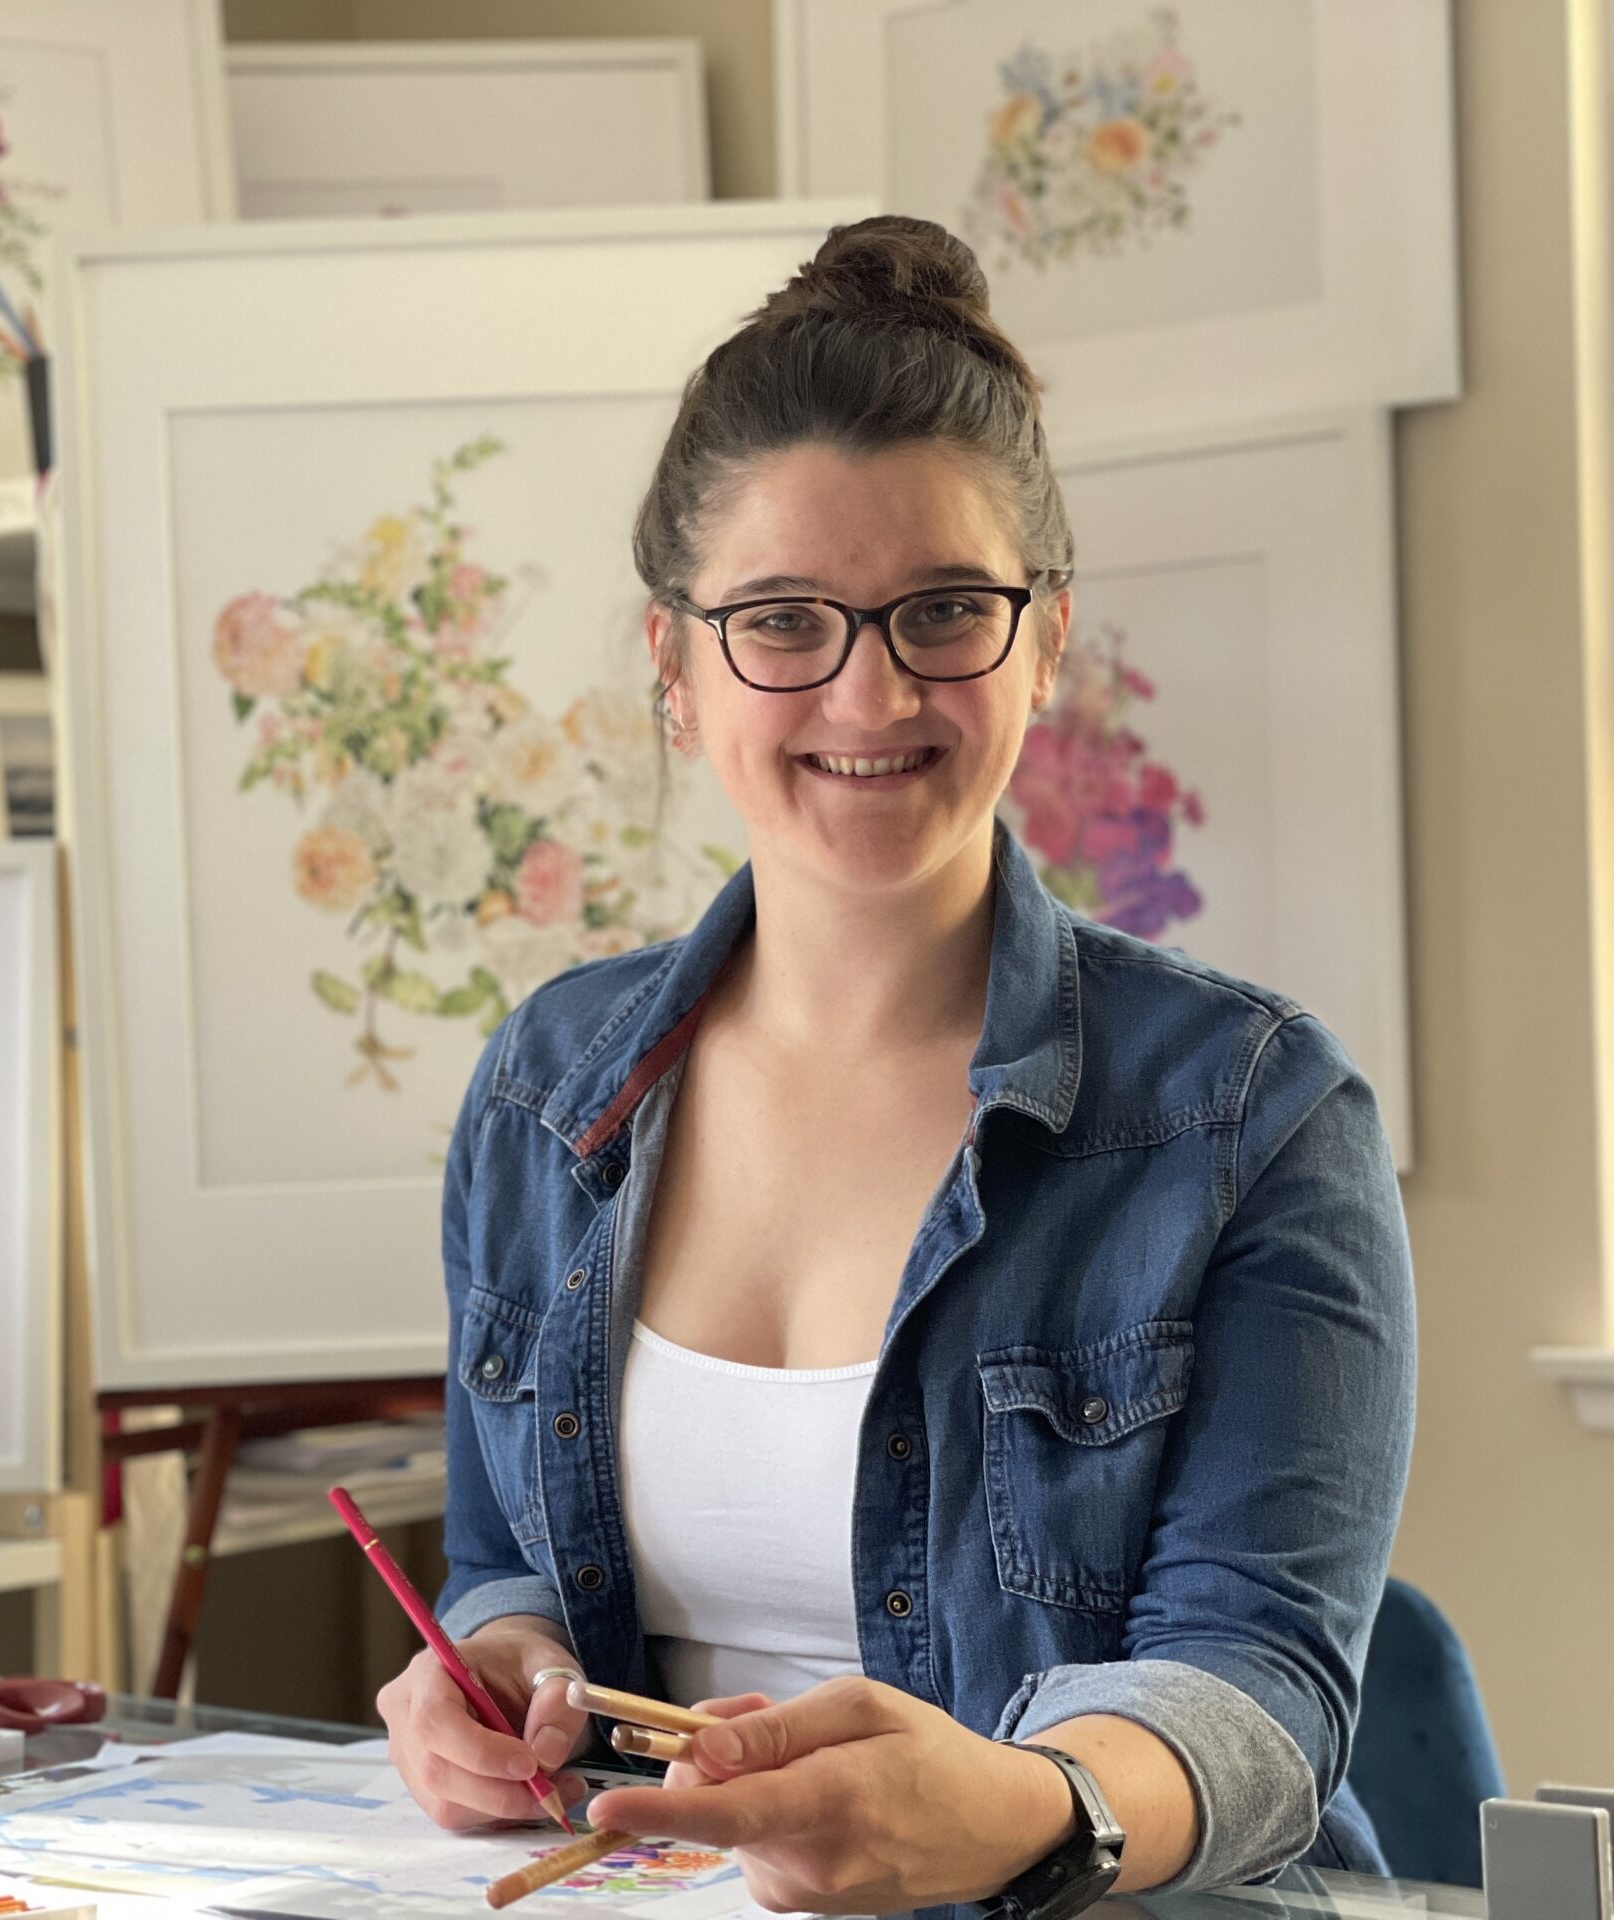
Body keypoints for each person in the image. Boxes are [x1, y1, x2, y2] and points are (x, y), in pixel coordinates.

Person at [376, 215, 1415, 1914]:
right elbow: (508, 1565)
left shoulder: (1251, 1110)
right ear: (675, 663)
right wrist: (484, 1678)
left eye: (945, 609)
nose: (869, 693)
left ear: (1046, 639)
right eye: (783, 620)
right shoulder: (543, 1085)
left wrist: (1023, 1805)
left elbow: (1260, 1691)